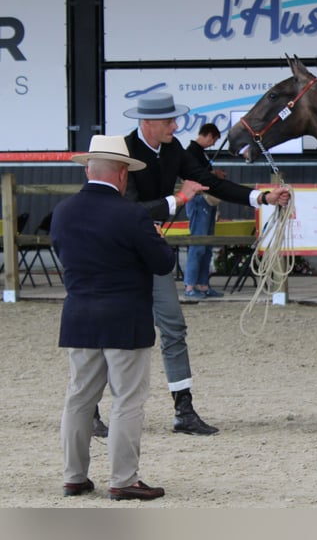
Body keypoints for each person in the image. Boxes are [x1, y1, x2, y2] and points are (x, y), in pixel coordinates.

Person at [122, 92, 291, 435]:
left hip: (152, 252)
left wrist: (262, 198)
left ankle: (183, 409)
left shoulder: (173, 151)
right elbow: (129, 212)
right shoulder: (123, 153)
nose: (175, 125)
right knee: (114, 332)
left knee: (174, 327)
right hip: (121, 256)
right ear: (147, 123)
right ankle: (92, 407)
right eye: (169, 121)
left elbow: (212, 182)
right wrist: (178, 199)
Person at [52, 135, 174, 501]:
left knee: (79, 399)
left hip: (79, 315)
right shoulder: (132, 214)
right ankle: (123, 479)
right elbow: (163, 263)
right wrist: (156, 238)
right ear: (122, 174)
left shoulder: (63, 211)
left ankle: (74, 476)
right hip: (125, 318)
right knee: (127, 400)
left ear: (89, 169)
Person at [183, 123, 225, 299]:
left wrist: (214, 175)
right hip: (199, 200)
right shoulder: (191, 152)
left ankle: (202, 284)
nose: (213, 143)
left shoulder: (199, 153)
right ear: (207, 135)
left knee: (207, 245)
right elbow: (196, 176)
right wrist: (214, 176)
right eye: (213, 139)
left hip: (206, 201)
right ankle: (190, 286)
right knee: (198, 244)